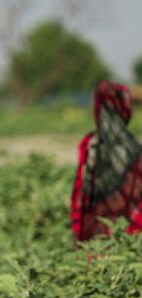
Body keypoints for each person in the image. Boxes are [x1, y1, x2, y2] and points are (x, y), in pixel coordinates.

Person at [71, 80, 142, 243]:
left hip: (96, 235)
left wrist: (78, 233)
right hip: (128, 238)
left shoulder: (90, 144)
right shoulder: (133, 149)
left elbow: (81, 195)